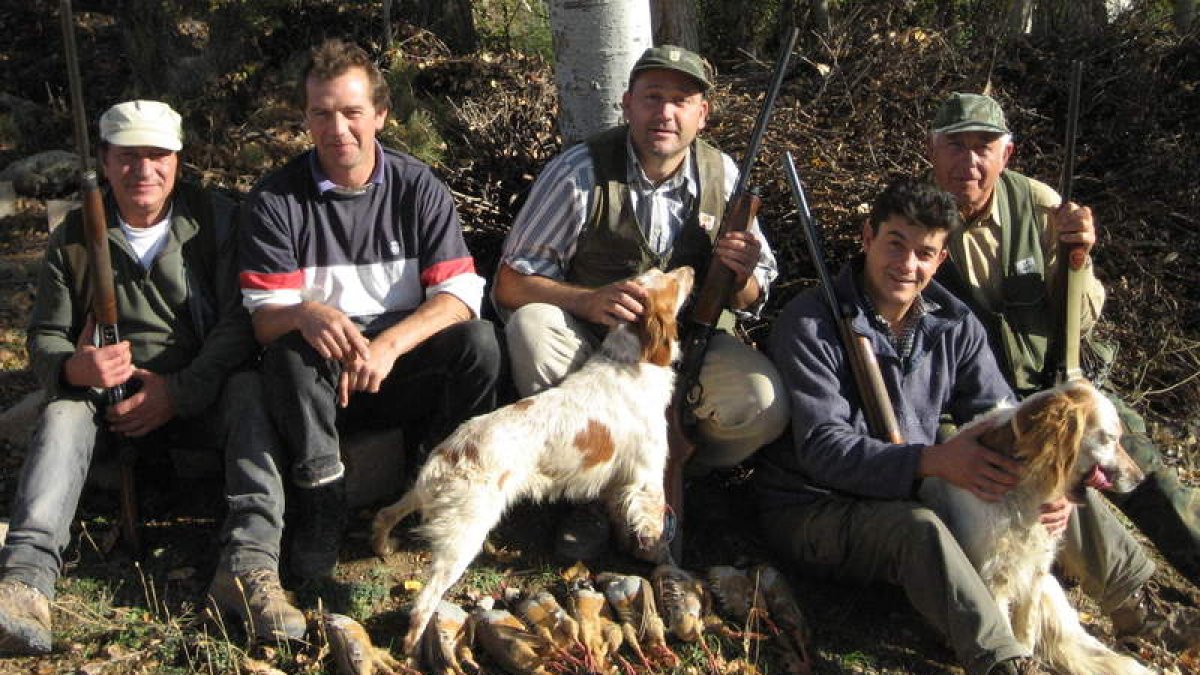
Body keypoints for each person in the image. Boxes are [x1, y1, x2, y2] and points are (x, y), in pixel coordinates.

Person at [755, 177, 1181, 675]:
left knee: (1062, 468)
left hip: (909, 483)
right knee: (919, 530)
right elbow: (823, 450)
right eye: (896, 244)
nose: (907, 264)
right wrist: (931, 461)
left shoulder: (955, 322)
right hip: (816, 507)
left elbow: (1002, 420)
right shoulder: (810, 323)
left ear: (941, 260)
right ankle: (1003, 661)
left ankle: (1141, 609)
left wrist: (1056, 489)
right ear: (868, 237)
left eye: (925, 253)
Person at [0, 100, 304, 653]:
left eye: (158, 156)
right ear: (105, 161)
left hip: (199, 394)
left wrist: (178, 393)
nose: (144, 171)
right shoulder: (72, 235)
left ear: (178, 162)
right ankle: (25, 580)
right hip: (105, 407)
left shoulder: (216, 220)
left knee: (250, 389)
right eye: (128, 157)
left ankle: (250, 567)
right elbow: (44, 337)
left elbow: (239, 324)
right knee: (64, 409)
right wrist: (75, 366)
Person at [492, 44, 789, 559]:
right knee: (532, 328)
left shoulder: (724, 178)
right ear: (628, 104)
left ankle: (677, 472)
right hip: (597, 352)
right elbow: (510, 284)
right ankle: (587, 489)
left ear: (702, 114)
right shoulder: (579, 172)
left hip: (686, 350)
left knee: (763, 404)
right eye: (653, 97)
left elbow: (754, 295)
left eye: (681, 100)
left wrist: (740, 274)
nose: (665, 113)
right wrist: (585, 301)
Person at [238, 39, 501, 581]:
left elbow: (458, 297)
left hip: (397, 369)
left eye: (352, 113)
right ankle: (321, 504)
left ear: (379, 115)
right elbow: (264, 320)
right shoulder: (276, 201)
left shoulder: (417, 187)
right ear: (306, 119)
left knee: (481, 344)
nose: (338, 130)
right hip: (322, 382)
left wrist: (389, 345)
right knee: (287, 353)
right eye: (322, 114)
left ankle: (431, 483)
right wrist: (303, 314)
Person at [927, 92, 1200, 595]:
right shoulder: (918, 219)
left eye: (984, 147)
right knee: (1049, 487)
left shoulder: (1039, 204)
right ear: (932, 152)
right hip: (973, 409)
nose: (969, 161)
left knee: (1142, 464)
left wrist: (1078, 259)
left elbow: (1084, 321)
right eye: (955, 146)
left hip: (1055, 390)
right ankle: (1131, 598)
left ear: (1005, 155)